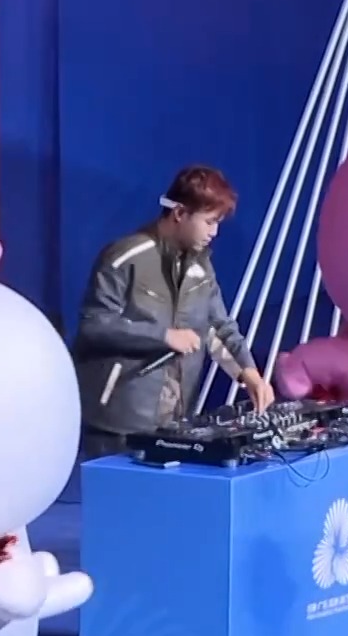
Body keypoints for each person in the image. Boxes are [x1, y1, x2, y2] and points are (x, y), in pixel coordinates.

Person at [72, 165, 275, 458]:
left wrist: (249, 373)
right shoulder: (125, 257)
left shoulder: (201, 266)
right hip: (119, 423)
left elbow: (218, 326)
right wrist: (163, 336)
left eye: (218, 223)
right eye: (209, 222)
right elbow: (94, 326)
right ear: (180, 213)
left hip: (175, 420)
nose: (214, 232)